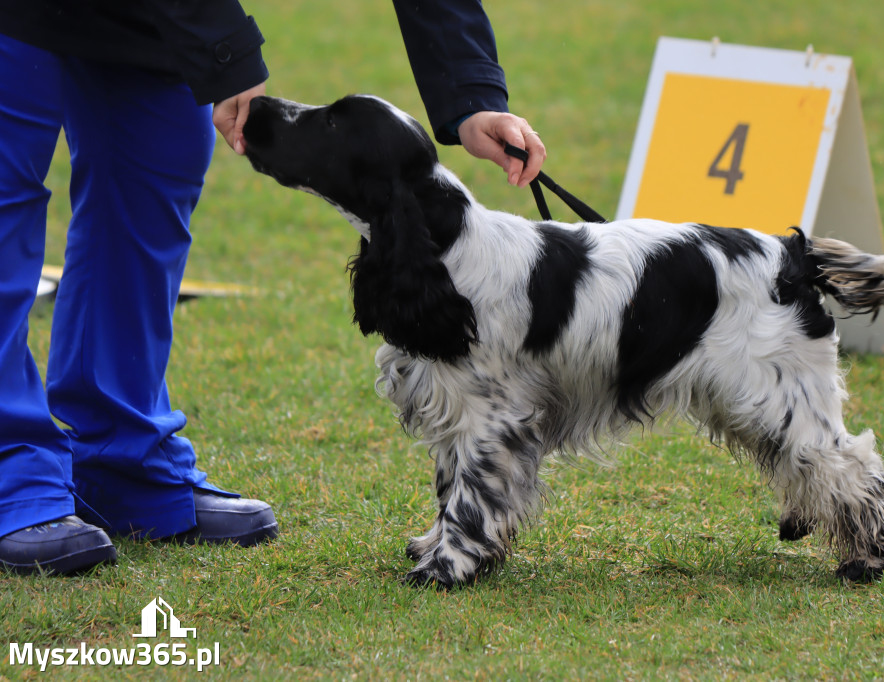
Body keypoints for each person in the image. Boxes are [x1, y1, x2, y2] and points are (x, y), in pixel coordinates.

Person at [0, 0, 547, 576]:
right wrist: (224, 48)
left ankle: (120, 458)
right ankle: (11, 467)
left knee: (149, 190)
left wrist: (472, 94)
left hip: (152, 22)